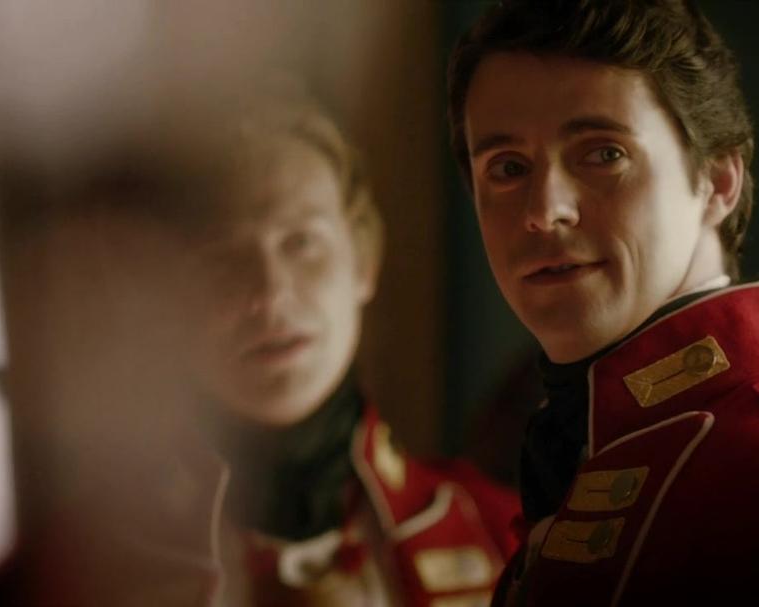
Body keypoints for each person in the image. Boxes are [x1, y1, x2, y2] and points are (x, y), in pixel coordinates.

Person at [446, 1, 759, 606]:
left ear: (717, 180)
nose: (544, 210)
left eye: (604, 153)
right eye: (508, 167)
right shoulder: (563, 452)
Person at [169, 88, 519, 606]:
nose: (270, 293)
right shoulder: (82, 565)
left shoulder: (501, 535)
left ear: (363, 260)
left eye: (301, 243)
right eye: (222, 257)